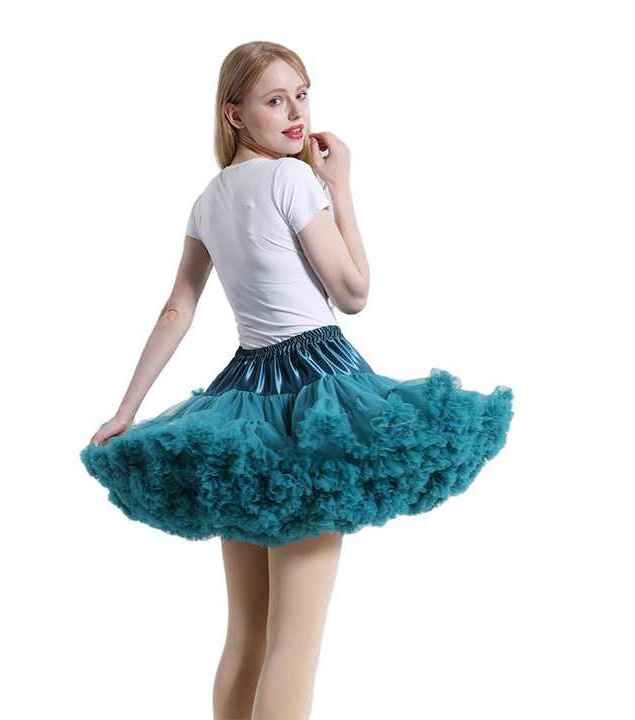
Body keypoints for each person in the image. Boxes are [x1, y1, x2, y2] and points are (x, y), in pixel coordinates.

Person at [79, 41, 514, 720]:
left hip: (242, 405)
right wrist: (340, 187)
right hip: (318, 392)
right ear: (234, 114)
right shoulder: (292, 180)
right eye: (275, 100)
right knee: (295, 641)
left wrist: (126, 411)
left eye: (302, 95)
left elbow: (178, 308)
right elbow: (353, 292)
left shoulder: (206, 200)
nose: (296, 113)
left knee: (248, 634)